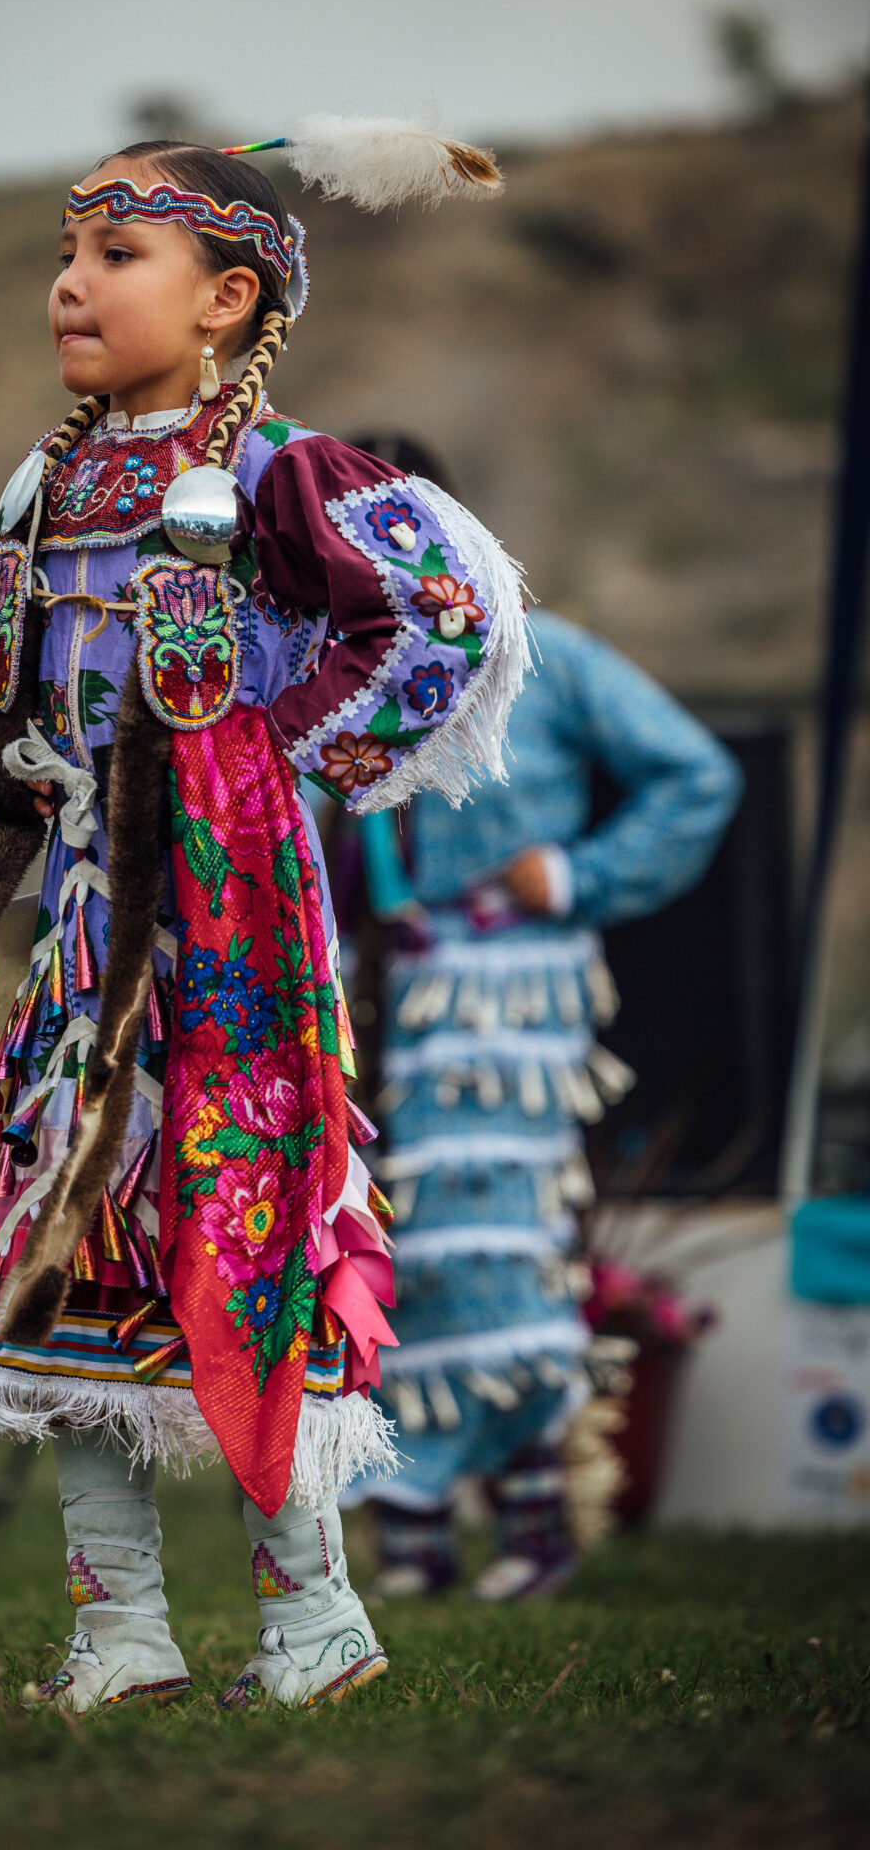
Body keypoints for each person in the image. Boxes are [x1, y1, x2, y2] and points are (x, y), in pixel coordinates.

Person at [0, 127, 528, 1709]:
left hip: (229, 941)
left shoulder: (277, 475)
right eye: (69, 250)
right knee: (62, 1255)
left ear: (230, 297)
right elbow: (38, 678)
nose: (72, 282)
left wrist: (273, 742)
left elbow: (449, 609)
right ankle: (121, 1638)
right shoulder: (52, 478)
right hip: (87, 932)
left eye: (119, 256)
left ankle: (315, 1628)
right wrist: (30, 763)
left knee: (241, 1239)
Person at [341, 434, 743, 1602]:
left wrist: (574, 875)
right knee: (391, 1246)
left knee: (494, 1239)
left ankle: (529, 1516)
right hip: (372, 991)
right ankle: (411, 1519)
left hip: (511, 995)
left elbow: (694, 775)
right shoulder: (333, 683)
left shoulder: (546, 660)